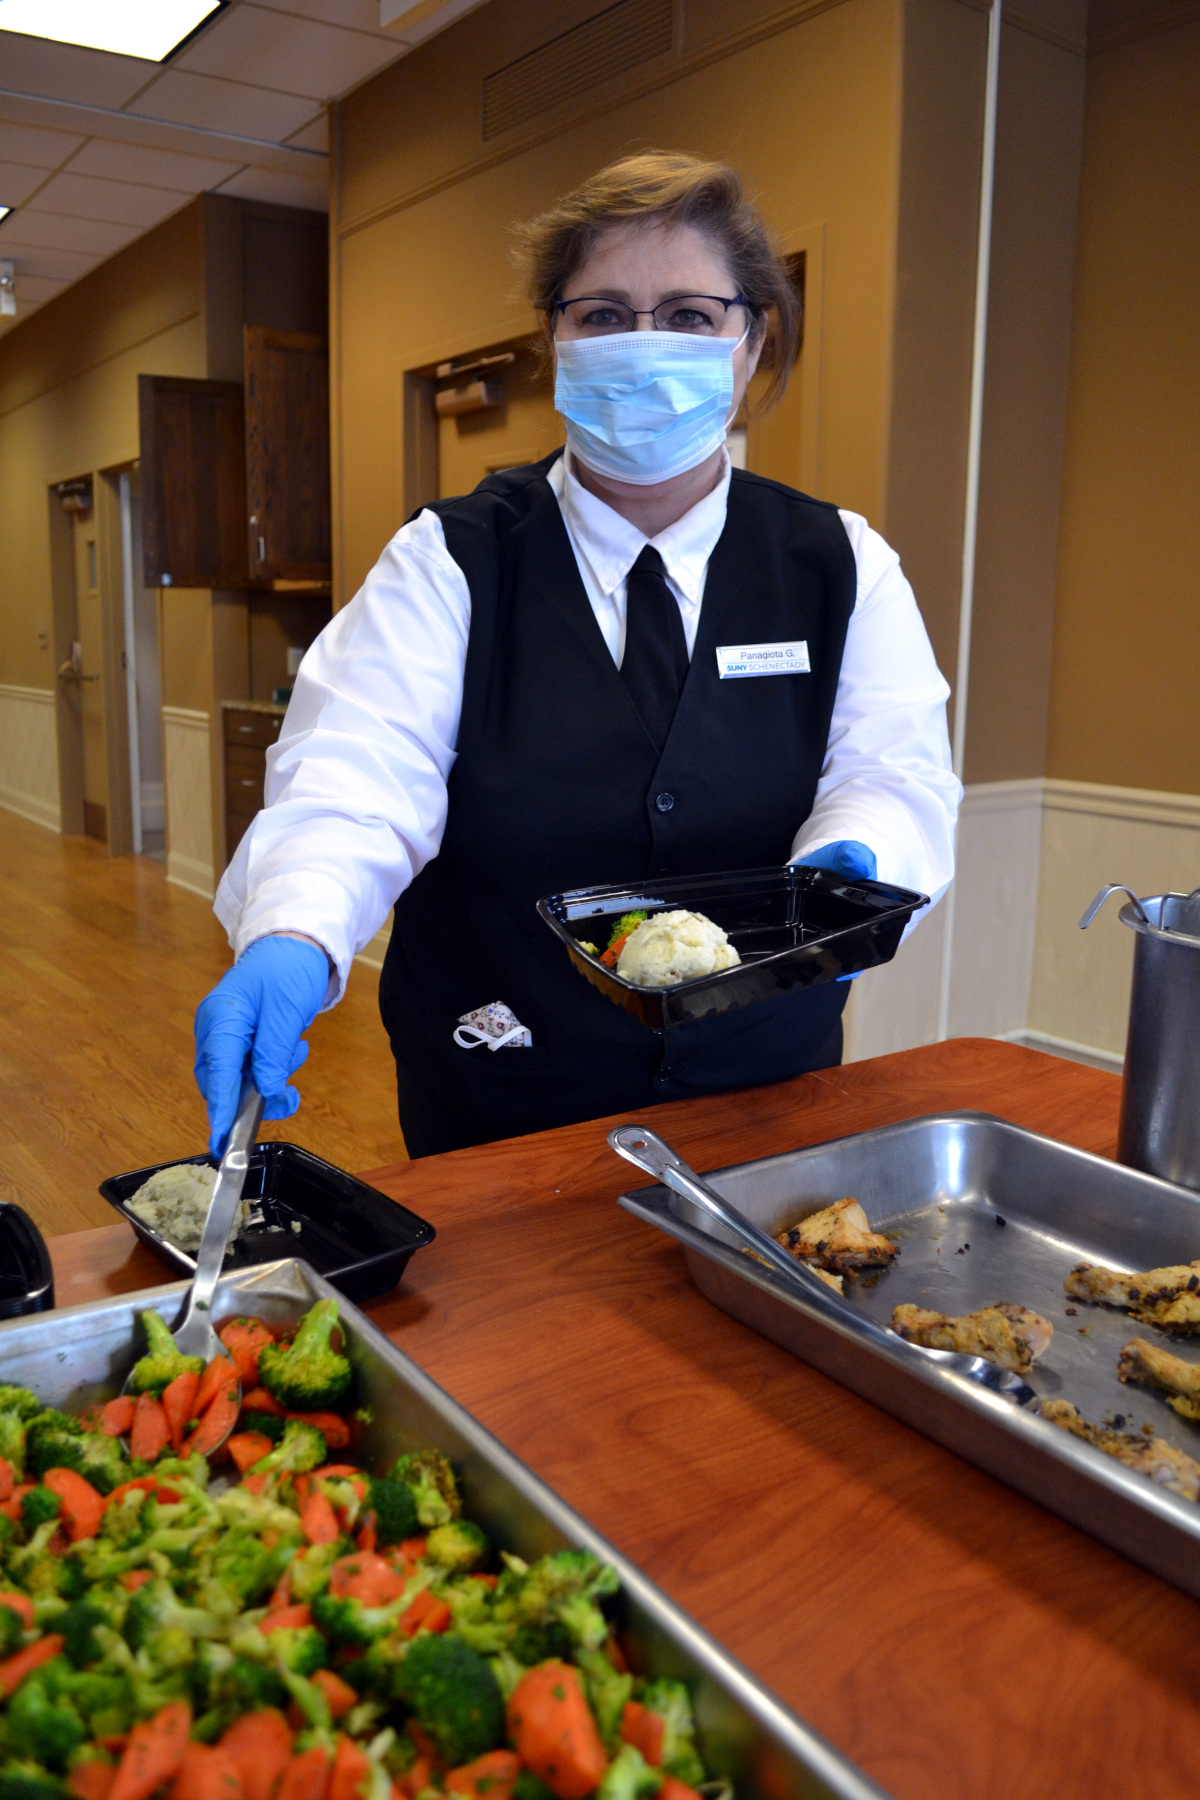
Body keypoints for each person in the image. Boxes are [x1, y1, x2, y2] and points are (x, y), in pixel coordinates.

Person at [195, 151, 961, 1159]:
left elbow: (891, 768)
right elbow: (358, 776)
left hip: (762, 1093)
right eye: (603, 314)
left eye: (689, 315)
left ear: (751, 339)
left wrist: (852, 867)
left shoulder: (840, 564)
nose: (645, 347)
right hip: (504, 1099)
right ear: (553, 335)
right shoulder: (450, 559)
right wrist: (293, 929)